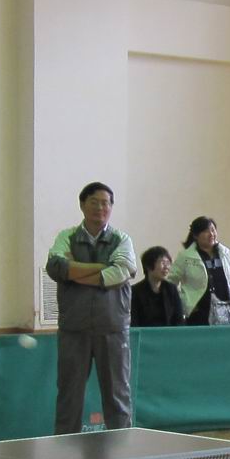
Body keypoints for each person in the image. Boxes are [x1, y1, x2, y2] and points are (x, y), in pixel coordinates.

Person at [47, 182, 137, 434]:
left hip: (113, 328)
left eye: (105, 203)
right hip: (74, 329)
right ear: (82, 205)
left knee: (118, 396)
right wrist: (101, 268)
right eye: (94, 202)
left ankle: (122, 449)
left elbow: (122, 272)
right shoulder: (67, 237)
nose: (100, 208)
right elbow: (56, 267)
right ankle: (65, 448)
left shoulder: (122, 239)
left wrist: (75, 272)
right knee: (69, 395)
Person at [173, 216, 230, 327]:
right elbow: (170, 282)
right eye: (206, 231)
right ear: (195, 235)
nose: (211, 234)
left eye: (213, 230)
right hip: (199, 315)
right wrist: (184, 302)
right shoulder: (186, 256)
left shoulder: (225, 253)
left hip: (229, 312)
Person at [131, 246, 185, 328]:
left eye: (168, 263)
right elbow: (134, 322)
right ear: (149, 266)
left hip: (169, 334)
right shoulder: (135, 291)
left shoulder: (172, 289)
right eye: (163, 263)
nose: (166, 267)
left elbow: (179, 320)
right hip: (145, 334)